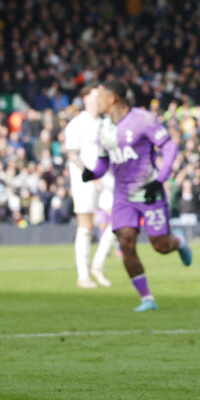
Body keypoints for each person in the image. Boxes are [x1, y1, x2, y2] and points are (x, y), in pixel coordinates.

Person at [82, 80, 192, 312]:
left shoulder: (143, 119)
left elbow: (170, 147)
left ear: (113, 99)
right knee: (125, 241)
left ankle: (179, 241)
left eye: (99, 97)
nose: (96, 102)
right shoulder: (103, 128)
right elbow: (103, 163)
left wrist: (160, 180)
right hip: (122, 195)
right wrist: (92, 173)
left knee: (160, 245)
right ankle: (146, 298)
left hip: (148, 191)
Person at [64, 85, 117, 288]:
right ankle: (83, 275)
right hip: (84, 180)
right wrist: (89, 174)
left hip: (106, 178)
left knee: (119, 219)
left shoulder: (106, 123)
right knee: (85, 226)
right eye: (95, 96)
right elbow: (72, 153)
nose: (98, 100)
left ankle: (98, 264)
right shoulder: (76, 124)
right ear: (85, 99)